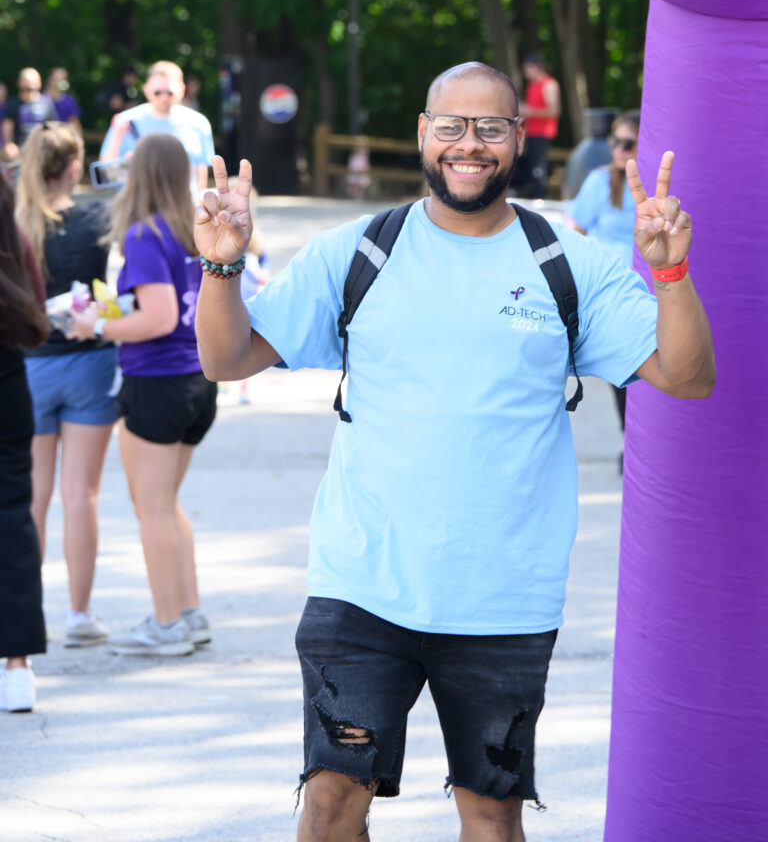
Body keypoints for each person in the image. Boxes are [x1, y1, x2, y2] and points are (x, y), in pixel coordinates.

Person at [193, 61, 715, 842]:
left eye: (491, 127)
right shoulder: (361, 251)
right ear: (423, 134)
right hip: (361, 583)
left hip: (504, 594)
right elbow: (227, 359)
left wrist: (670, 273)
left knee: (491, 812)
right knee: (332, 798)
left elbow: (687, 375)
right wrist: (224, 262)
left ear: (519, 138)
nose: (470, 144)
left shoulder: (564, 261)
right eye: (453, 126)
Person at [68, 133, 217, 657]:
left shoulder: (144, 234)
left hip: (157, 382)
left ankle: (167, 624)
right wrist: (115, 317)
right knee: (167, 504)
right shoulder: (193, 229)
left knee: (151, 507)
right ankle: (189, 613)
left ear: (145, 173)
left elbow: (157, 318)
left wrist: (96, 327)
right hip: (199, 379)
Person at [16, 123, 118, 648]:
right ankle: (80, 613)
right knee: (81, 494)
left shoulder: (19, 221)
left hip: (30, 366)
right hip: (89, 364)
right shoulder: (99, 217)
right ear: (76, 167)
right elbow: (105, 296)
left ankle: (24, 609)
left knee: (32, 495)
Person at [0, 174, 48, 713]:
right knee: (13, 517)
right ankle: (17, 667)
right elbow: (35, 319)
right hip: (9, 381)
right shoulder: (16, 240)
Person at [567, 109, 641, 462]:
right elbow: (575, 232)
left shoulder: (659, 184)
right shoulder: (600, 182)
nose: (620, 150)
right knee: (624, 374)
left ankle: (642, 443)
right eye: (617, 142)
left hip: (653, 292)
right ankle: (632, 442)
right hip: (612, 294)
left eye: (630, 143)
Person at [99, 61, 214, 200]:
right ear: (146, 89)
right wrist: (119, 142)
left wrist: (199, 208)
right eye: (158, 92)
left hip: (182, 211)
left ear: (182, 90)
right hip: (136, 209)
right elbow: (105, 175)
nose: (164, 97)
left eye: (169, 92)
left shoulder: (198, 123)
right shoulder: (126, 121)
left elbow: (200, 171)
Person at [0, 69, 58, 181]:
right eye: (26, 80)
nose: (29, 84)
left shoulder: (46, 104)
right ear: (19, 82)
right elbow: (7, 126)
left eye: (32, 80)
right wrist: (9, 145)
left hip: (41, 149)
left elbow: (52, 128)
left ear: (39, 82)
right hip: (19, 150)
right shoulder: (13, 104)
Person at [519, 53, 560, 198]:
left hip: (543, 132)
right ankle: (532, 194)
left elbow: (554, 110)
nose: (525, 72)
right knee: (530, 165)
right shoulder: (532, 85)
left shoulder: (549, 84)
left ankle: (539, 196)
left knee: (538, 167)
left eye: (528, 68)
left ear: (537, 67)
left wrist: (528, 111)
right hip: (531, 132)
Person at [45, 68, 82, 134]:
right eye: (55, 79)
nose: (57, 82)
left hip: (64, 136)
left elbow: (74, 122)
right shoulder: (42, 99)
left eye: (61, 79)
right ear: (50, 79)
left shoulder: (69, 101)